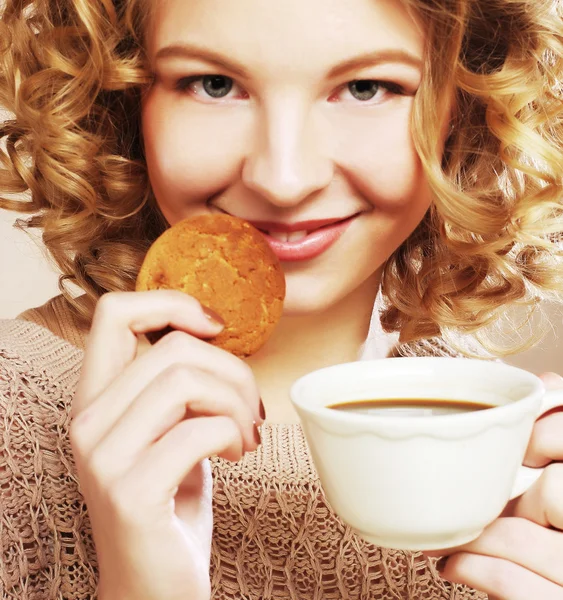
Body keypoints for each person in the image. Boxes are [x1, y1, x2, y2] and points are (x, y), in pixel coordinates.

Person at [0, 0, 562, 598]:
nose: (283, 178)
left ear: (468, 106)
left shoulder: (520, 471)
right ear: (121, 96)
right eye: (213, 85)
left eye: (366, 87)